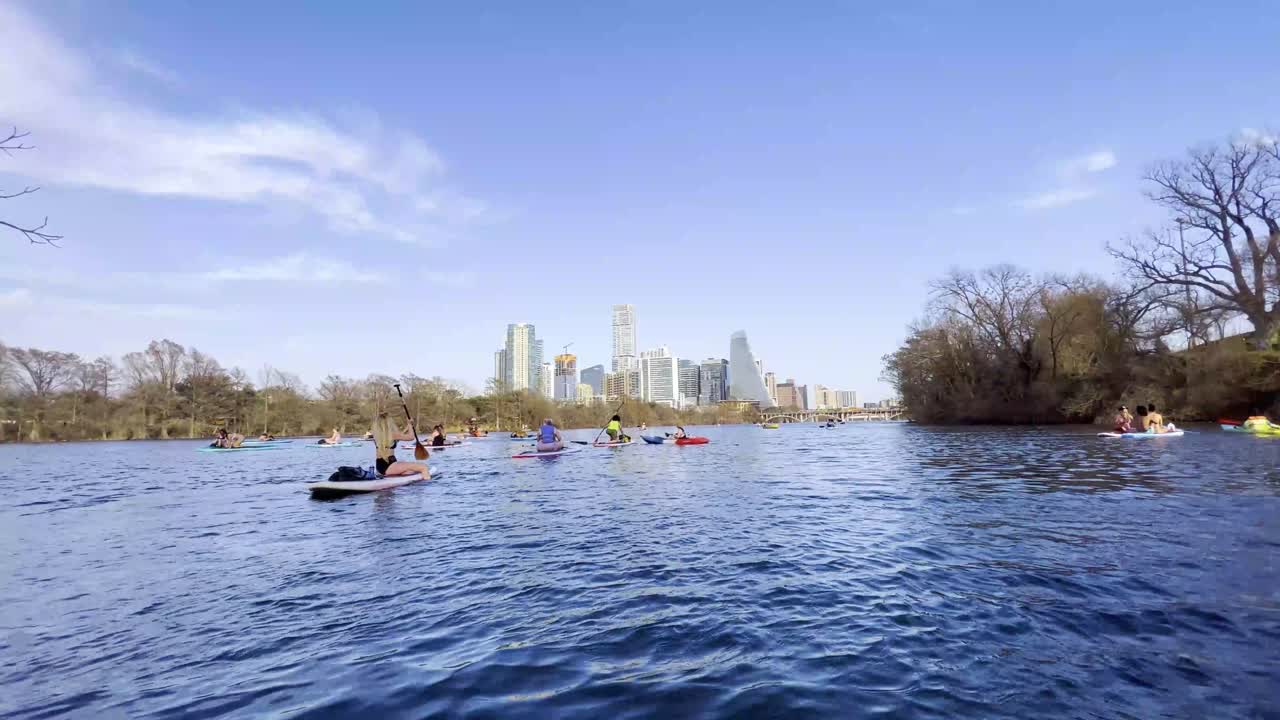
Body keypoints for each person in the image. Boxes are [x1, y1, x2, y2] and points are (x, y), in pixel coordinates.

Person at [371, 412, 431, 478]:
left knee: (409, 472)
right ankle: (429, 486)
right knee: (423, 467)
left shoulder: (377, 436)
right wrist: (410, 425)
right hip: (389, 465)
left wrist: (408, 426)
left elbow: (399, 437)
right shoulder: (393, 435)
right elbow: (411, 437)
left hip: (380, 466)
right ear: (388, 423)